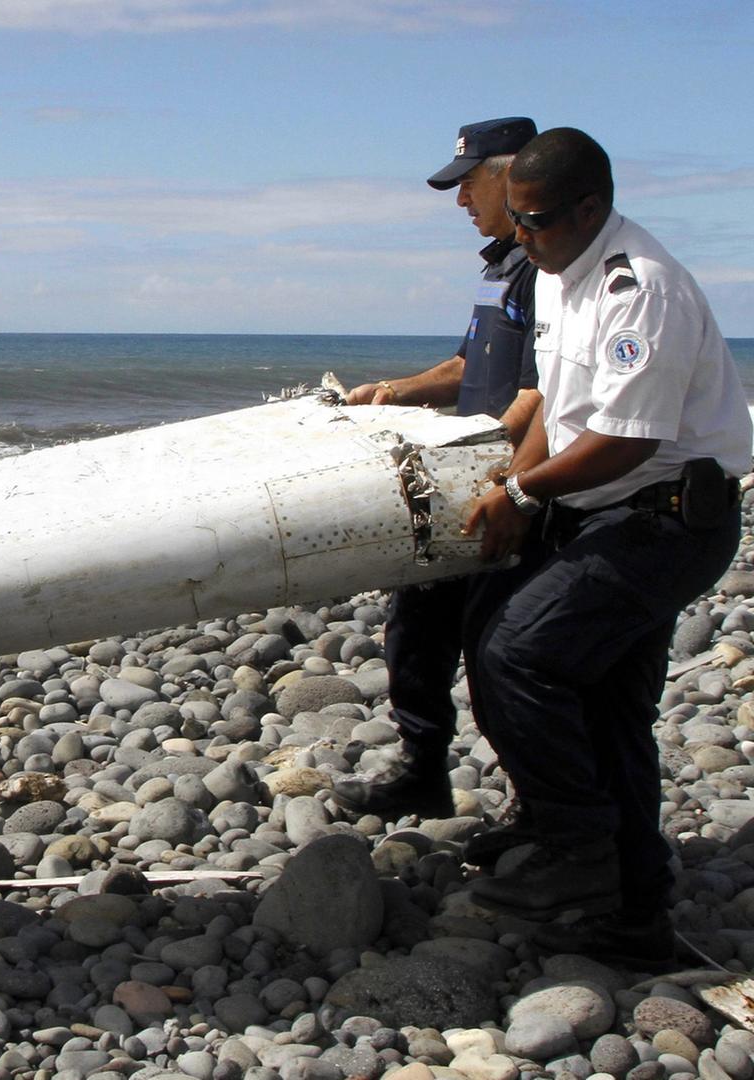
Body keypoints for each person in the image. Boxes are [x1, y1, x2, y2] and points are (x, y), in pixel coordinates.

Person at [461, 129, 749, 964]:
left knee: (520, 656)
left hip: (665, 520)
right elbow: (558, 397)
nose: (520, 238)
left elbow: (625, 439)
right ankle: (634, 917)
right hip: (604, 510)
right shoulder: (560, 270)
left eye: (536, 221)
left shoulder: (641, 291)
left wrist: (520, 493)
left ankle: (577, 850)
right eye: (514, 220)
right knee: (602, 704)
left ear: (591, 209)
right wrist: (518, 487)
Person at [333, 117, 543, 824]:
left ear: (513, 178)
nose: (460, 202)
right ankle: (423, 768)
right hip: (465, 481)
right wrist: (392, 391)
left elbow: (541, 396)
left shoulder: (548, 272)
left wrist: (499, 479)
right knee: (415, 628)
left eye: (468, 185)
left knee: (499, 655)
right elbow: (464, 368)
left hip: (509, 488)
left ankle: (534, 808)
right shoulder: (498, 270)